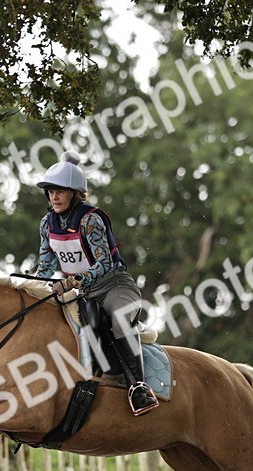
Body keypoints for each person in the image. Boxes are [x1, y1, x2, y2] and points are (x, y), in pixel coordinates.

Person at [33, 151, 159, 416]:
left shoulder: (90, 219)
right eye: (50, 192)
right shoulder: (47, 223)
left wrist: (71, 282)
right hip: (85, 293)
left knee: (119, 318)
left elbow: (103, 264)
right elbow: (45, 267)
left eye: (60, 191)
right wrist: (32, 285)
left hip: (115, 286)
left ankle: (139, 386)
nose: (54, 197)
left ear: (75, 193)